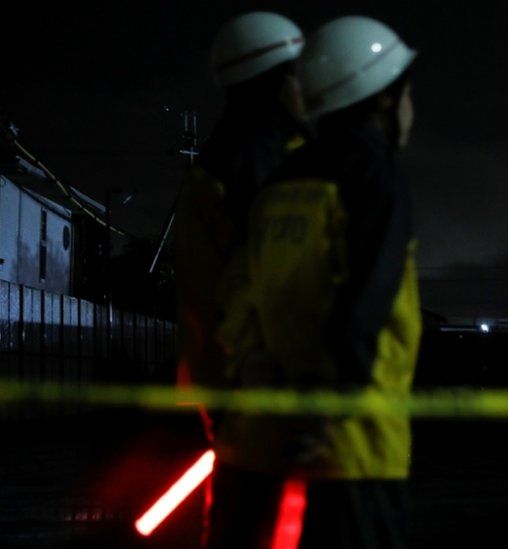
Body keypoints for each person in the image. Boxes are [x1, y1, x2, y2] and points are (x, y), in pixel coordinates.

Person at [208, 15, 422, 549]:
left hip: (273, 436)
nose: (412, 109)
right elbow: (368, 298)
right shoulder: (375, 176)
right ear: (381, 99)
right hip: (356, 444)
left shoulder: (279, 180)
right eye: (407, 94)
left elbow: (239, 297)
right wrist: (336, 404)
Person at [171, 11, 305, 547]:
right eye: (297, 74)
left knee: (239, 520)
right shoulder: (256, 158)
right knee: (262, 526)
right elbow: (273, 278)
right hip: (259, 388)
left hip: (230, 382)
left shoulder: (227, 155)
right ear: (272, 79)